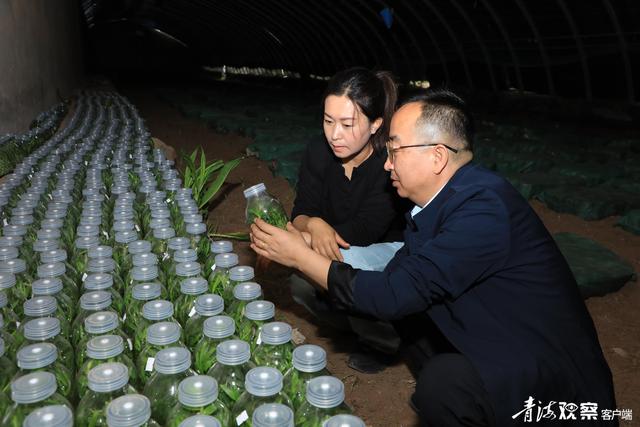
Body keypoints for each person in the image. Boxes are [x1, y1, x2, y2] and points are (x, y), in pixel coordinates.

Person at [250, 89, 617, 426]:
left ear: (438, 155)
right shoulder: (441, 203)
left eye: (394, 150)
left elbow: (393, 292)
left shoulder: (482, 208)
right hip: (498, 339)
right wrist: (309, 251)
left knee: (444, 384)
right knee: (410, 320)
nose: (387, 164)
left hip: (557, 388)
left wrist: (300, 258)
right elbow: (395, 278)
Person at [289, 67, 409, 372]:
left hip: (391, 252)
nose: (334, 134)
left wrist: (301, 243)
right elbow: (302, 210)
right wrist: (313, 225)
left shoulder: (388, 163)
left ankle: (385, 341)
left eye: (347, 123)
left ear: (375, 125)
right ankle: (354, 321)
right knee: (300, 283)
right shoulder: (318, 151)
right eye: (328, 121)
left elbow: (364, 231)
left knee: (341, 266)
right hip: (339, 246)